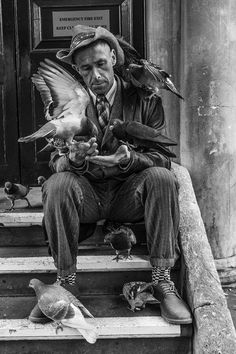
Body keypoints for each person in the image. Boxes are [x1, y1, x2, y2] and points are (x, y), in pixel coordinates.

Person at [29, 24, 192, 325]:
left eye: (101, 64)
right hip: (87, 197)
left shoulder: (145, 98)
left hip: (129, 196)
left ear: (114, 59)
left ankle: (162, 279)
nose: (96, 76)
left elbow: (162, 158)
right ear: (77, 71)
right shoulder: (73, 105)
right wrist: (74, 161)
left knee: (162, 178)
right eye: (86, 68)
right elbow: (55, 160)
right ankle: (66, 280)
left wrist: (130, 160)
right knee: (57, 183)